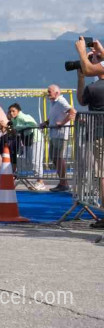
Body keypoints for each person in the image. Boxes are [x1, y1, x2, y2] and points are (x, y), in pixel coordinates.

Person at [74, 36, 104, 228]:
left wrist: (82, 53)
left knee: (102, 175)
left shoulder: (94, 88)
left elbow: (81, 101)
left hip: (99, 134)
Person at [43, 85, 76, 192]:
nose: (48, 93)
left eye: (49, 92)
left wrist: (62, 123)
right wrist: (46, 123)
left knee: (58, 158)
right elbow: (55, 116)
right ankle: (62, 182)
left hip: (60, 135)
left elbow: (72, 112)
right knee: (54, 158)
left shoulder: (61, 101)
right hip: (54, 135)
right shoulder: (54, 103)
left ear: (57, 93)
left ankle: (64, 183)